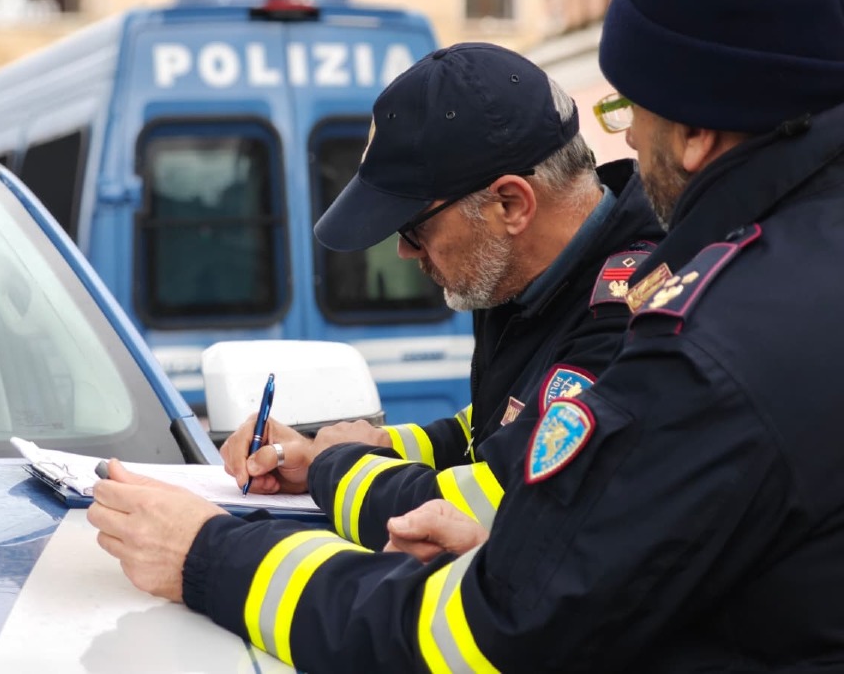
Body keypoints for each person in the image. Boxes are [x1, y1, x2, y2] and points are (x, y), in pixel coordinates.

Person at [89, 0, 844, 669]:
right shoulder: (775, 276)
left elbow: (488, 627)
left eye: (630, 110)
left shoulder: (696, 335)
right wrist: (379, 449)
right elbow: (506, 436)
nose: (404, 255)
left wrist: (207, 553)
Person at [221, 42, 661, 552]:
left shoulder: (635, 314)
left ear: (510, 203)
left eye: (413, 228)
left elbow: (504, 499)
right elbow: (497, 428)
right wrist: (378, 447)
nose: (406, 253)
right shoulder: (531, 278)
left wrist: (333, 467)